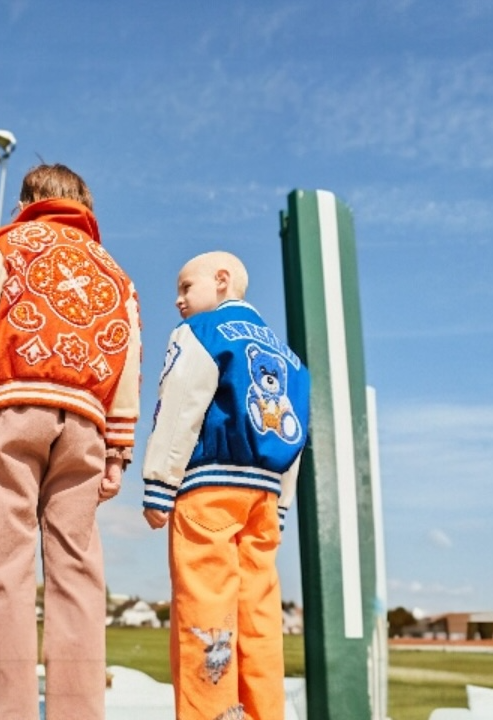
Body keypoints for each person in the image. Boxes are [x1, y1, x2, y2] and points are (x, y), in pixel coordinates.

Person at [0, 163, 142, 720]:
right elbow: (128, 364)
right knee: (77, 575)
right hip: (86, 428)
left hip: (11, 410)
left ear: (28, 198)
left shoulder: (4, 245)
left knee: (3, 571)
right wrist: (118, 452)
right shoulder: (116, 274)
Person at [141, 251, 310, 720]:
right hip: (264, 494)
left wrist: (159, 482)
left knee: (205, 606)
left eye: (185, 287)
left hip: (209, 490)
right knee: (259, 612)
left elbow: (179, 408)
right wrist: (281, 502)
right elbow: (293, 432)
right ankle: (264, 712)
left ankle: (211, 714)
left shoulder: (201, 333)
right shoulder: (290, 358)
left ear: (221, 281)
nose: (177, 300)